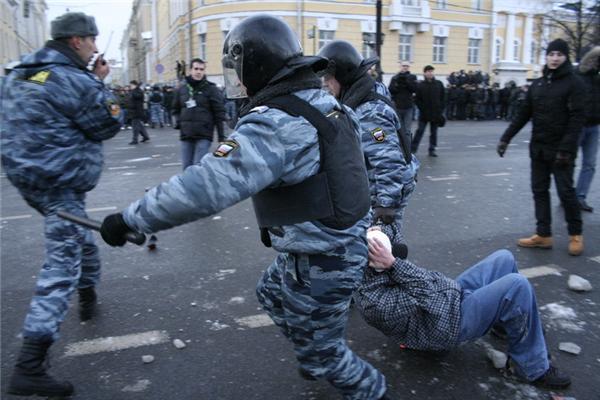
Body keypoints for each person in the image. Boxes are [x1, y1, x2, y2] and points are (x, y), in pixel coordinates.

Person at [98, 15, 390, 400]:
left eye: (239, 69)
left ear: (256, 66)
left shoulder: (277, 122)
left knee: (327, 356)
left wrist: (129, 219)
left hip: (325, 256)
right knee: (270, 292)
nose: (238, 80)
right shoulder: (323, 102)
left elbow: (205, 186)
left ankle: (355, 379)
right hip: (322, 244)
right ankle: (313, 344)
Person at [0, 12, 121, 397]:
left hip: (28, 180)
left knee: (76, 233)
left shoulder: (19, 71)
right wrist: (102, 84)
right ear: (75, 41)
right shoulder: (75, 79)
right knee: (61, 263)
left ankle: (88, 292)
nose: (95, 48)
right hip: (61, 183)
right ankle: (30, 364)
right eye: (91, 40)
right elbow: (106, 125)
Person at [355, 229, 571, 390]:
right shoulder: (374, 303)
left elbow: (398, 242)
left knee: (503, 258)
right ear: (374, 261)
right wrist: (393, 263)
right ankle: (531, 367)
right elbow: (428, 290)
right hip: (444, 326)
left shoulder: (373, 268)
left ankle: (504, 325)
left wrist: (383, 225)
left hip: (447, 301)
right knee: (517, 286)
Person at [318, 40, 419, 251]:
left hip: (383, 191)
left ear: (344, 76)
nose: (325, 83)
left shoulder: (370, 112)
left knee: (380, 250)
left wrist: (386, 204)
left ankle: (394, 278)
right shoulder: (363, 93)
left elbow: (387, 157)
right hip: (374, 186)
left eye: (328, 77)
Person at [496, 38, 585, 256]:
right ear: (546, 57)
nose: (554, 59)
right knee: (539, 191)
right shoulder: (538, 84)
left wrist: (566, 149)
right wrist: (506, 138)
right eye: (551, 54)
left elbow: (577, 120)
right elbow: (523, 114)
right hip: (539, 148)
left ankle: (576, 234)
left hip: (562, 151)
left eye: (559, 55)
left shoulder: (574, 83)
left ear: (565, 57)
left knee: (566, 192)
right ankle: (543, 234)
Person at [172, 58, 226, 169]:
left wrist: (221, 137)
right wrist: (178, 123)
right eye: (196, 69)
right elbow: (175, 109)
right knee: (186, 168)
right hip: (186, 135)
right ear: (190, 70)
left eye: (201, 69)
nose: (198, 72)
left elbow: (219, 113)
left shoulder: (211, 89)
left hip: (204, 135)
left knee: (198, 167)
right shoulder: (182, 89)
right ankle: (188, 187)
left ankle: (198, 186)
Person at [575, 46, 600, 212]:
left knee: (589, 164)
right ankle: (568, 195)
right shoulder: (578, 76)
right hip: (577, 125)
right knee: (566, 163)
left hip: (594, 125)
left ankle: (580, 197)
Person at [412, 65, 445, 157]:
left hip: (436, 113)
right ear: (424, 73)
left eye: (431, 71)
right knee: (420, 131)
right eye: (428, 71)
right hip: (424, 113)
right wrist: (422, 109)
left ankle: (432, 149)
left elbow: (443, 98)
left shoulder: (439, 84)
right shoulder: (421, 85)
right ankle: (413, 149)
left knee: (434, 133)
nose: (430, 73)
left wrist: (441, 109)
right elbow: (417, 99)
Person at [388, 61, 417, 143]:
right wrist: (396, 84)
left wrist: (407, 82)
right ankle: (398, 146)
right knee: (397, 128)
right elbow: (390, 90)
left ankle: (407, 147)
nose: (405, 67)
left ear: (409, 67)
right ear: (400, 66)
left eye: (407, 66)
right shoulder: (395, 77)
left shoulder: (412, 77)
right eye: (403, 66)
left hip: (408, 106)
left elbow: (414, 89)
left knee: (407, 130)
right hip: (397, 106)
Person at [127, 80, 150, 144]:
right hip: (133, 111)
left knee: (135, 127)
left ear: (135, 85)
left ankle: (135, 140)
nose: (130, 86)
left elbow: (138, 96)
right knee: (139, 125)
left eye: (131, 85)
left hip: (137, 111)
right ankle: (145, 136)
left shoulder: (138, 91)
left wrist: (134, 90)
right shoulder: (133, 91)